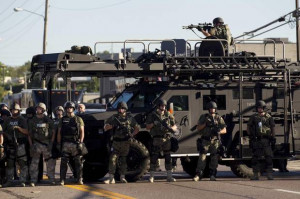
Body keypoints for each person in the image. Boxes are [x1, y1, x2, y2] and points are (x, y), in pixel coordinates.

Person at [104, 101, 139, 184]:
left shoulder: (130, 118)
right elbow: (105, 127)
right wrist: (113, 126)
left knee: (123, 160)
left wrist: (132, 134)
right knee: (112, 159)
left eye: (122, 108)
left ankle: (122, 177)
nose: (120, 110)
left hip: (125, 142)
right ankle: (111, 178)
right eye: (119, 108)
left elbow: (137, 128)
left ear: (125, 109)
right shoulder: (114, 118)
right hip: (116, 142)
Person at [193, 101, 226, 181]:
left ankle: (212, 174)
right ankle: (199, 174)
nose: (212, 110)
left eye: (214, 108)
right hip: (205, 140)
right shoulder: (204, 117)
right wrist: (205, 124)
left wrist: (219, 132)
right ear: (208, 109)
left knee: (214, 158)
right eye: (211, 108)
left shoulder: (218, 118)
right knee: (202, 157)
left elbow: (224, 130)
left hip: (215, 141)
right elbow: (198, 128)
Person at [146, 99, 176, 183]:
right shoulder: (153, 115)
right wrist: (154, 124)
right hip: (156, 138)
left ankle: (169, 176)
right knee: (154, 157)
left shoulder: (168, 115)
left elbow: (175, 126)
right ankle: (151, 176)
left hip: (166, 139)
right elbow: (147, 127)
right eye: (162, 106)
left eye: (164, 106)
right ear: (158, 106)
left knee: (167, 157)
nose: (163, 107)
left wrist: (171, 129)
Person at [57, 101, 85, 185]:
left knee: (78, 162)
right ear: (65, 109)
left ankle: (79, 179)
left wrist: (81, 142)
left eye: (71, 108)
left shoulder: (78, 119)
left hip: (75, 143)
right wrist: (58, 143)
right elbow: (59, 132)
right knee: (64, 162)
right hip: (65, 143)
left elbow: (82, 131)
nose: (69, 109)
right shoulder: (62, 120)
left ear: (73, 109)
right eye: (68, 108)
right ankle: (62, 180)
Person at [28, 103, 56, 186]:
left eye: (40, 108)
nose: (38, 109)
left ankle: (51, 179)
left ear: (43, 110)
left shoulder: (48, 120)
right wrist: (31, 145)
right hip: (36, 144)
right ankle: (33, 180)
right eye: (37, 108)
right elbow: (29, 134)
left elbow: (53, 132)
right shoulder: (32, 120)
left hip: (46, 144)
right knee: (34, 163)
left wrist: (51, 142)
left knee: (50, 162)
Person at [2, 103, 29, 187]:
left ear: (19, 110)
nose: (14, 111)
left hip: (20, 144)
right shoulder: (8, 120)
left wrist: (19, 128)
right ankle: (9, 180)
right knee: (10, 163)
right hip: (10, 144)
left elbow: (27, 132)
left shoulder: (22, 119)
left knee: (22, 163)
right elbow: (3, 131)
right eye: (13, 110)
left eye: (16, 110)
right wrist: (8, 136)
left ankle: (22, 180)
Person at [247, 100, 275, 180]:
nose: (260, 109)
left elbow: (272, 127)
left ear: (264, 108)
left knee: (268, 157)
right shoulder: (253, 117)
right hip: (257, 140)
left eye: (261, 108)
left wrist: (273, 137)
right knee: (255, 158)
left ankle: (269, 174)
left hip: (266, 140)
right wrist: (251, 136)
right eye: (258, 108)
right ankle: (256, 174)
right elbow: (248, 127)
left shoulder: (268, 117)